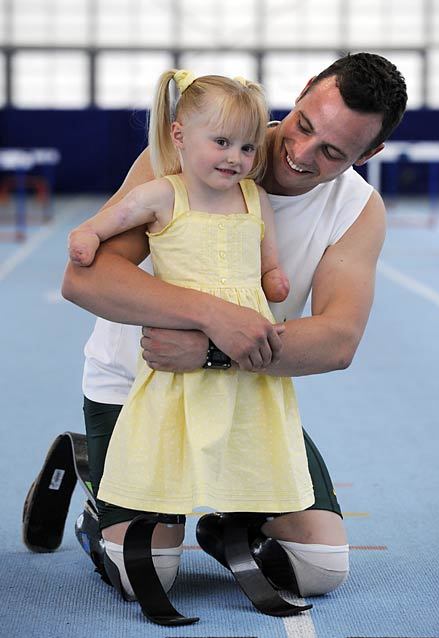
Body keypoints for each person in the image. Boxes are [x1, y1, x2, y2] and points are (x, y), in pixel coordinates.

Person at [56, 52, 407, 602]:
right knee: (145, 574)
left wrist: (211, 352)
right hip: (136, 388)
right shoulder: (187, 152)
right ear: (306, 87)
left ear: (372, 152)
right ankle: (94, 483)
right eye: (304, 125)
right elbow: (85, 280)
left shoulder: (359, 210)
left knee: (318, 566)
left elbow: (338, 340)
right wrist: (212, 315)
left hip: (245, 396)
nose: (299, 153)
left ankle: (230, 521)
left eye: (333, 151)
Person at [66, 68, 316, 600]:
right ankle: (103, 490)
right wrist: (88, 234)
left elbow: (268, 255)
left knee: (252, 439)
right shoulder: (163, 192)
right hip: (172, 351)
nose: (235, 157)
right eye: (221, 142)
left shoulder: (253, 197)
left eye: (248, 147)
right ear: (179, 135)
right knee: (147, 566)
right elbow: (113, 220)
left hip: (242, 363)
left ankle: (235, 522)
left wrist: (273, 276)